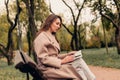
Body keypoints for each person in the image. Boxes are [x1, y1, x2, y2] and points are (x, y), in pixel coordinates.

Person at [33, 14, 96, 80]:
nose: (59, 26)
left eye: (59, 25)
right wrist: (62, 61)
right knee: (78, 63)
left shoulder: (51, 36)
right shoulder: (41, 37)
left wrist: (68, 54)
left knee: (78, 63)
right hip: (47, 70)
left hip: (53, 66)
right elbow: (44, 59)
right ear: (50, 22)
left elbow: (54, 56)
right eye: (57, 24)